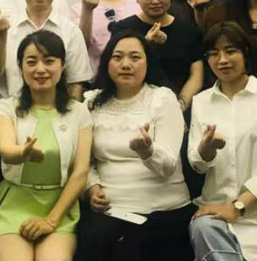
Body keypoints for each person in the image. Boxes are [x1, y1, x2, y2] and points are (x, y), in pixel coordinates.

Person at [187, 22, 257, 261]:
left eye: (230, 51)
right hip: (216, 210)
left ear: (245, 53)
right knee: (203, 227)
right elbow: (198, 165)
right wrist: (206, 150)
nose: (222, 60)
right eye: (213, 54)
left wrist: (237, 207)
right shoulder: (201, 101)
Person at [78, 30, 196, 261]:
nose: (126, 64)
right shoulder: (92, 103)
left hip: (163, 212)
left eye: (135, 57)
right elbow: (84, 160)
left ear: (147, 63)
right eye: (117, 57)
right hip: (111, 210)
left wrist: (148, 152)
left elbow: (168, 166)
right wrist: (91, 187)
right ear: (107, 62)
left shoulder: (163, 99)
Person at [0, 31, 93, 261]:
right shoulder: (6, 107)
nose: (40, 69)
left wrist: (51, 221)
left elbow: (80, 172)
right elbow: (6, 150)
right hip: (14, 203)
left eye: (49, 61)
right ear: (20, 67)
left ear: (62, 65)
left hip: (60, 206)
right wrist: (22, 153)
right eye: (31, 62)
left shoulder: (79, 112)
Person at [0, 0, 93, 102]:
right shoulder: (5, 27)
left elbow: (76, 84)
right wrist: (0, 36)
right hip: (9, 109)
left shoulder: (71, 31)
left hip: (56, 110)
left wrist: (70, 114)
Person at [110, 0, 204, 113]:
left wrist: (179, 106)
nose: (155, 1)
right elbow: (115, 69)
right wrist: (145, 43)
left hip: (180, 108)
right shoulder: (122, 29)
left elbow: (196, 74)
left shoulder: (188, 31)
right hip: (132, 110)